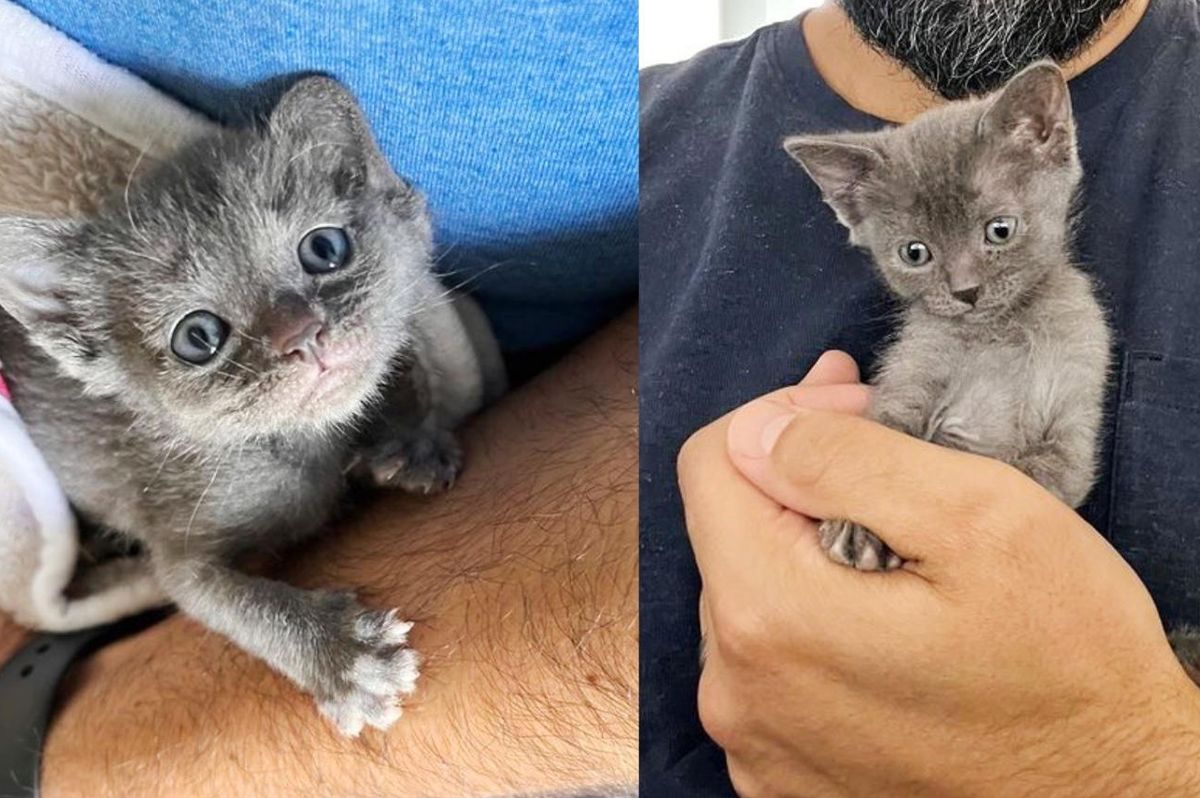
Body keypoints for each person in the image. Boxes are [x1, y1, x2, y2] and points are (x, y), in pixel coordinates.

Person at [0, 1, 637, 795]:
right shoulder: (223, 475)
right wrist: (311, 644)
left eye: (322, 251)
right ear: (93, 349)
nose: (299, 330)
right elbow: (195, 572)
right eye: (201, 336)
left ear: (385, 195)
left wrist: (408, 424)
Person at [641, 0, 1200, 794]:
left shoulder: (1072, 321)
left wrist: (1139, 757)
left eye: (997, 233)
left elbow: (1062, 463)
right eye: (916, 255)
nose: (963, 283)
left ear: (1047, 137)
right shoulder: (640, 140)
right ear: (851, 205)